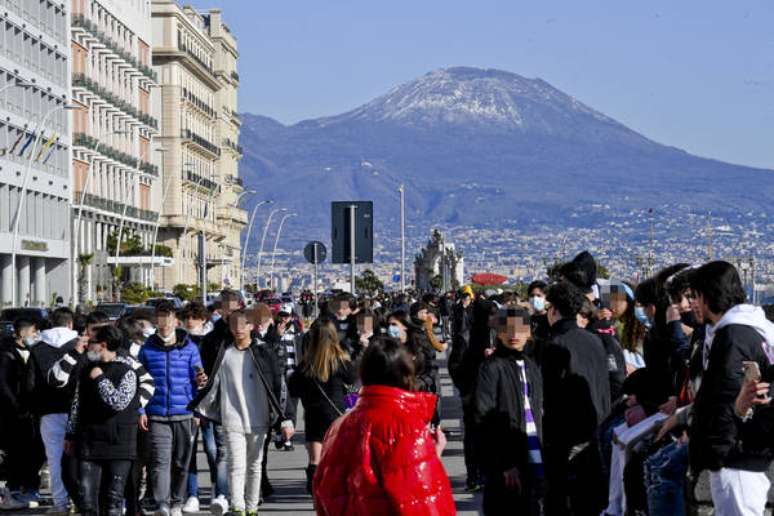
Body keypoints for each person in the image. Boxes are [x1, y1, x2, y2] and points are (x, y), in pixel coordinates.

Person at [313, 337, 455, 515]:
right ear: (405, 374)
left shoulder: (340, 426)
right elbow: (420, 500)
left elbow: (324, 492)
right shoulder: (406, 426)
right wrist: (434, 455)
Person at [689, 261, 774, 515]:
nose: (694, 304)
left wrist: (716, 454)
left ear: (705, 296)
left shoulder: (731, 337)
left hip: (736, 460)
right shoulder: (755, 329)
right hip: (750, 453)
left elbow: (726, 396)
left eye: (695, 296)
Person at [189, 310, 293, 516]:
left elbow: (279, 385)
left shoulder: (264, 352)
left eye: (243, 324)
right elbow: (211, 383)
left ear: (251, 326)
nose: (238, 329)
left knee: (255, 465)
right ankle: (238, 506)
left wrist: (286, 418)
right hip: (231, 418)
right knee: (236, 464)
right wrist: (200, 400)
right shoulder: (224, 353)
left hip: (260, 417)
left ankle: (252, 506)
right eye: (234, 325)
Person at [541, 281, 610, 516]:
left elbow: (549, 397)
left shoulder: (554, 344)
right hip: (597, 432)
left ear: (554, 310)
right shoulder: (595, 340)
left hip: (564, 440)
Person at [138, 301, 206, 516]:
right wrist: (141, 411)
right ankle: (163, 504)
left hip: (184, 413)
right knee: (160, 462)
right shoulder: (147, 348)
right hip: (157, 414)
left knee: (181, 461)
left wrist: (197, 411)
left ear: (176, 320)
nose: (164, 323)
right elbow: (138, 381)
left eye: (168, 318)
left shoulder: (189, 347)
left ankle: (178, 501)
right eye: (160, 317)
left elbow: (199, 382)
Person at [474, 306, 544, 515]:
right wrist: (503, 463)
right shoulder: (491, 367)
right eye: (507, 329)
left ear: (529, 332)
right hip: (506, 464)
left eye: (520, 329)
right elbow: (483, 416)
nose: (514, 335)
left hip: (534, 455)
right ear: (499, 332)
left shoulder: (531, 366)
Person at [66, 325, 141, 516]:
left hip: (118, 445)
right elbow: (77, 404)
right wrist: (70, 433)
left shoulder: (127, 372)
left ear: (103, 345)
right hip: (89, 443)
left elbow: (118, 402)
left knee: (113, 501)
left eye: (92, 342)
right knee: (87, 501)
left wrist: (101, 380)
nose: (88, 346)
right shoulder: (86, 370)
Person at [288, 317, 356, 494]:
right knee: (338, 457)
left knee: (315, 459)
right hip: (337, 413)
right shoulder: (341, 362)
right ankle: (336, 490)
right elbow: (352, 383)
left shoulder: (306, 365)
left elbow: (294, 389)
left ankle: (315, 490)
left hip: (313, 414)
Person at [25, 307, 82, 515]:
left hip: (48, 410)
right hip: (79, 409)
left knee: (55, 458)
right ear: (70, 324)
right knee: (81, 457)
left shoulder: (39, 348)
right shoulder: (79, 344)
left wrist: (32, 409)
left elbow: (29, 384)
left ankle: (60, 502)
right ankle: (81, 499)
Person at [197, 290, 242, 515]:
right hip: (218, 399)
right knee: (218, 450)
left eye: (234, 308)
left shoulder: (245, 335)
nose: (230, 313)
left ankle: (232, 493)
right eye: (227, 309)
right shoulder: (213, 338)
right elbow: (203, 367)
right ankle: (222, 491)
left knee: (237, 452)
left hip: (242, 401)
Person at [0, 319, 44, 510]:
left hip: (32, 413)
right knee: (16, 452)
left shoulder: (35, 352)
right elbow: (4, 384)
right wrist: (16, 406)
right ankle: (15, 488)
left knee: (34, 452)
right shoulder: (7, 355)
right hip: (14, 414)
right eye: (34, 332)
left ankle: (30, 487)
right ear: (22, 333)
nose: (37, 335)